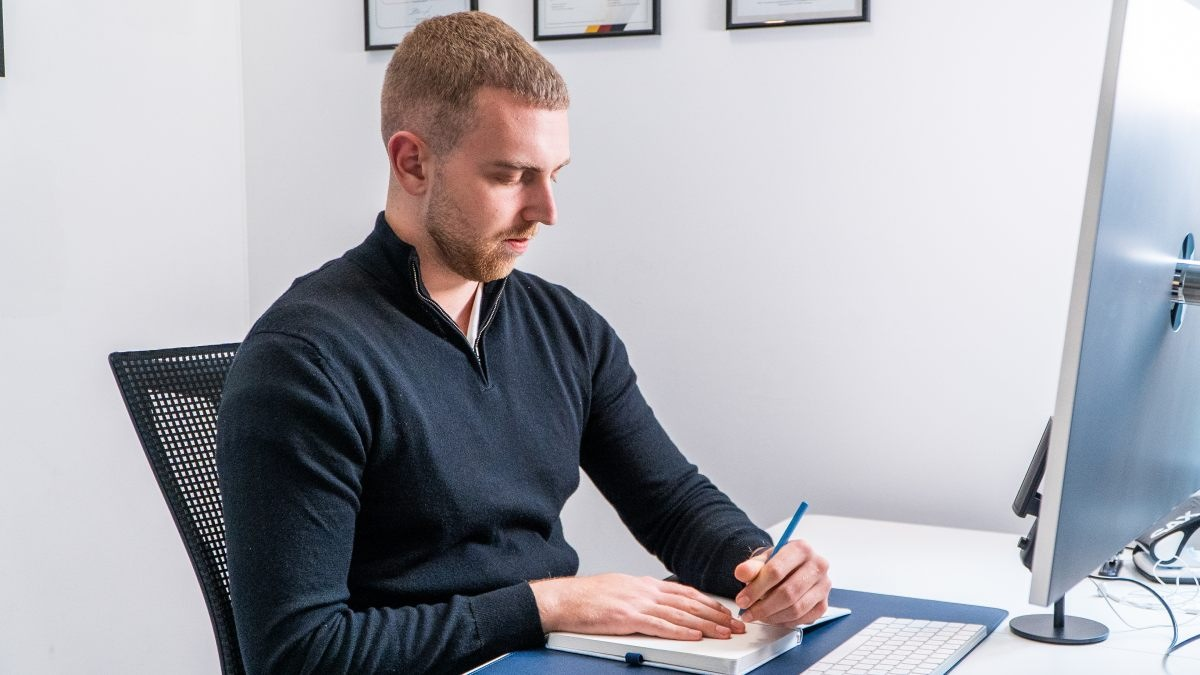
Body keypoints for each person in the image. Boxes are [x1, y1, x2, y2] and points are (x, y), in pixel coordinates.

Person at [216, 11, 830, 674]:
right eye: (511, 176)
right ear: (413, 161)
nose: (546, 211)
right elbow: (298, 656)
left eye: (554, 173)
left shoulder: (566, 329)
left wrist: (759, 562)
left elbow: (673, 501)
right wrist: (546, 605)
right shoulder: (303, 360)